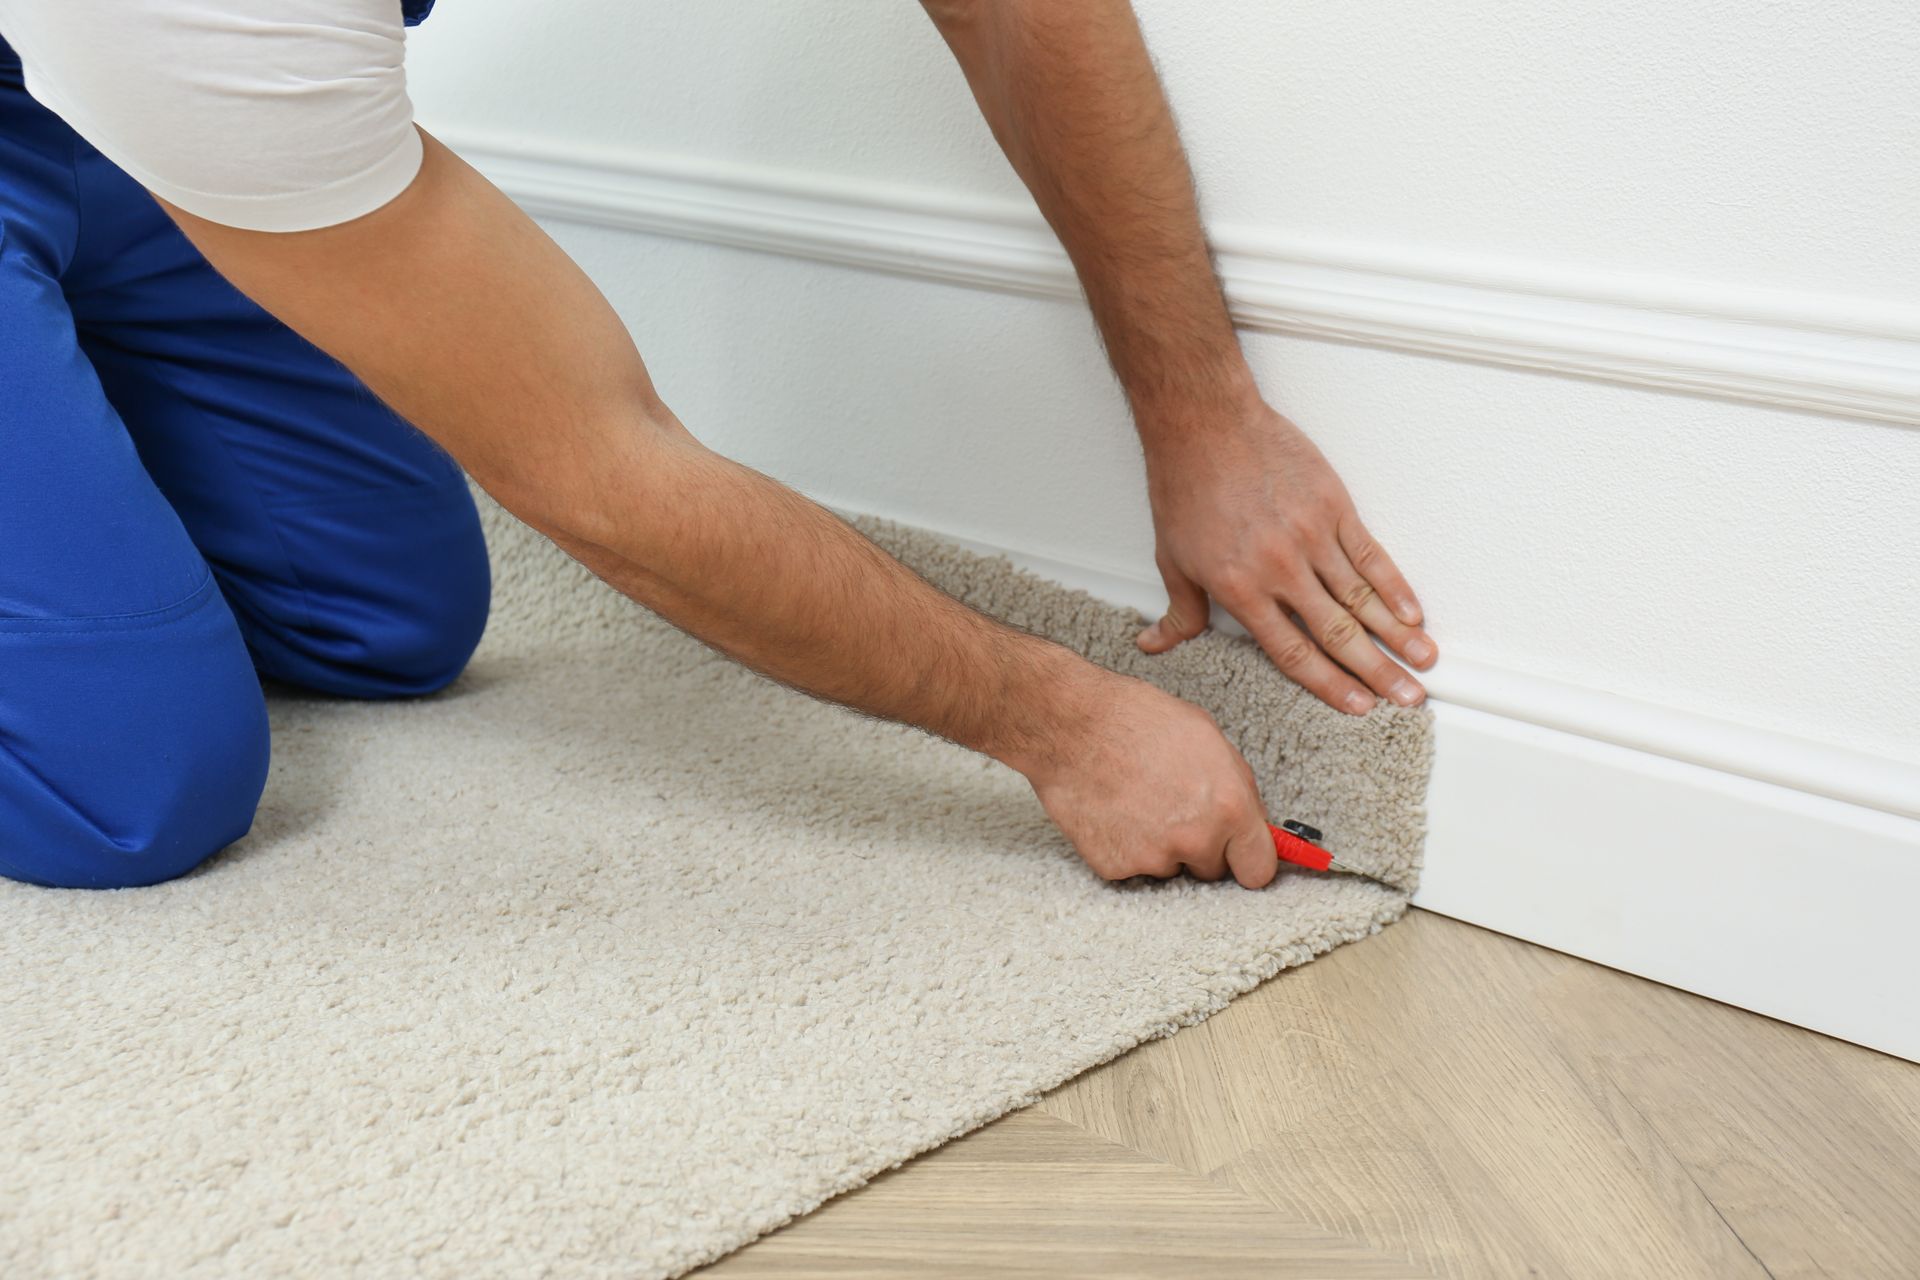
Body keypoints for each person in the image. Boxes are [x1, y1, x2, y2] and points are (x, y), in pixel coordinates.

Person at [0, 1, 1435, 892]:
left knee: (381, 626)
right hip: (128, 60)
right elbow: (595, 468)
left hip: (100, 111)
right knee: (136, 788)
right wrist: (1060, 726)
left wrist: (1203, 415)